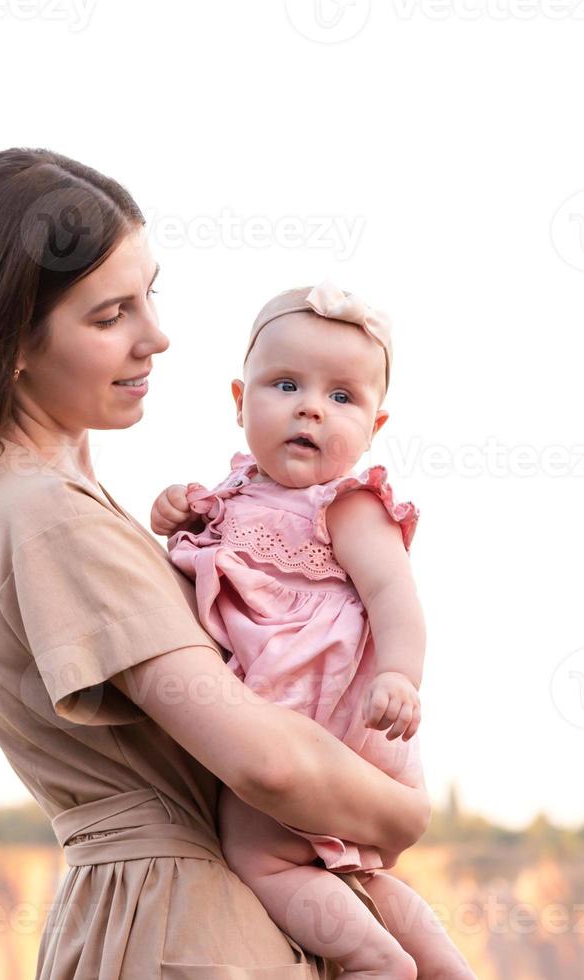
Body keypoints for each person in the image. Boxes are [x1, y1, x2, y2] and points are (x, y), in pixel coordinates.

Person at [0, 148, 431, 979]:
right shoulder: (46, 516)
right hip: (179, 929)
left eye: (151, 294)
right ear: (11, 337)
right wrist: (400, 813)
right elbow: (266, 761)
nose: (156, 337)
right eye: (111, 315)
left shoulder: (38, 504)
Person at [153, 282, 473, 978]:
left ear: (374, 428)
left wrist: (399, 675)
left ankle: (370, 961)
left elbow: (396, 596)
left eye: (341, 397)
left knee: (262, 854)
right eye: (287, 384)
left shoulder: (349, 505)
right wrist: (173, 509)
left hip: (322, 715)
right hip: (295, 715)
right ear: (240, 402)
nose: (309, 407)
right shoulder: (231, 493)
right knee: (355, 876)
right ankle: (442, 965)